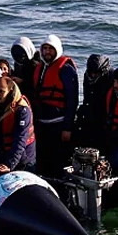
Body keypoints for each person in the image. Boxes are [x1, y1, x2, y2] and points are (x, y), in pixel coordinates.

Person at [31, 34, 78, 176]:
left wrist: (67, 128)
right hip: (41, 124)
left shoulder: (66, 69)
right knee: (41, 160)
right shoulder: (40, 68)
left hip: (58, 124)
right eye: (44, 48)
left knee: (56, 162)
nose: (47, 52)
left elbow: (72, 100)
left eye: (50, 49)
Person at [0, 76, 36, 173]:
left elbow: (20, 139)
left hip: (22, 160)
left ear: (10, 90)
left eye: (1, 91)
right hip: (0, 154)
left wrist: (9, 164)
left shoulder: (22, 110)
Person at [74, 54, 112, 146]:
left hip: (105, 116)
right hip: (90, 111)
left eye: (96, 73)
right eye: (91, 72)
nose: (93, 75)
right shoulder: (87, 75)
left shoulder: (111, 77)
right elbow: (87, 98)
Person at [10, 36, 37, 103]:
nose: (19, 56)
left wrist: (22, 82)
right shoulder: (18, 63)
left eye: (22, 53)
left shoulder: (35, 65)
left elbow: (36, 85)